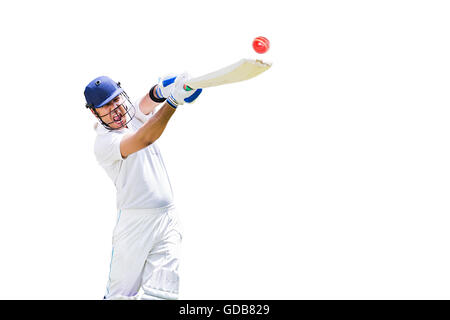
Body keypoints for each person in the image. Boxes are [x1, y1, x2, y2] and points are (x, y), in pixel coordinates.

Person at [84, 73, 202, 300]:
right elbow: (145, 138)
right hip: (134, 225)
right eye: (105, 106)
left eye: (116, 100)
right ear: (94, 112)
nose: (115, 109)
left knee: (162, 295)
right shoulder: (105, 143)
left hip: (167, 218)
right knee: (121, 296)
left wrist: (175, 85)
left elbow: (152, 96)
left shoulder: (131, 112)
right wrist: (174, 101)